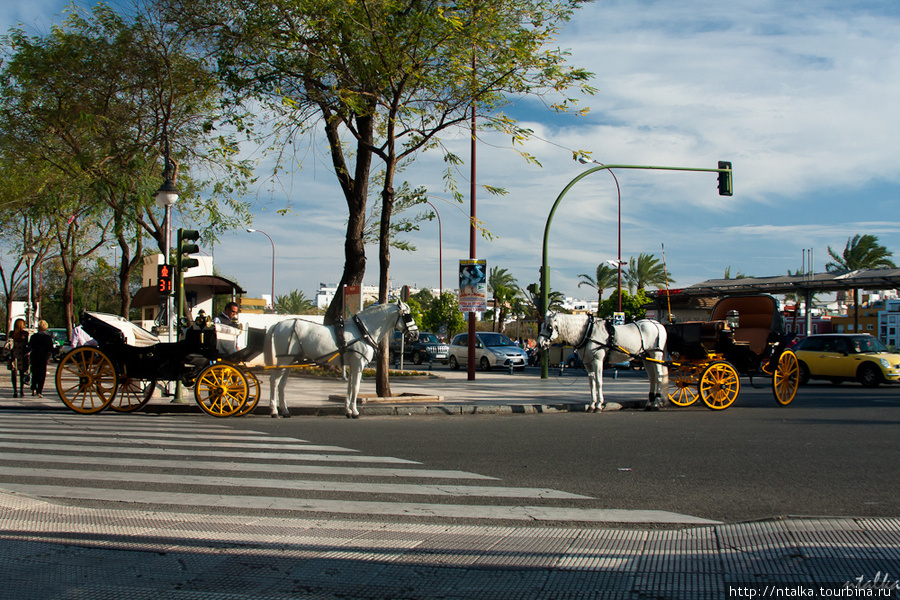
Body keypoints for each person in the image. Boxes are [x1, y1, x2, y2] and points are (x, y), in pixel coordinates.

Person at [28, 320, 53, 397]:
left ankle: (33, 388)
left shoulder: (34, 336)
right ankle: (40, 390)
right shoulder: (48, 338)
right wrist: (49, 357)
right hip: (43, 357)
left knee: (34, 372)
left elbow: (30, 346)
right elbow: (50, 348)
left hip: (35, 356)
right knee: (42, 374)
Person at [8, 319, 29, 398]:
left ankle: (15, 390)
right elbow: (26, 345)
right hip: (22, 356)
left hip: (13, 356)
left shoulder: (12, 334)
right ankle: (21, 390)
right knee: (22, 374)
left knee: (14, 375)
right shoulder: (25, 334)